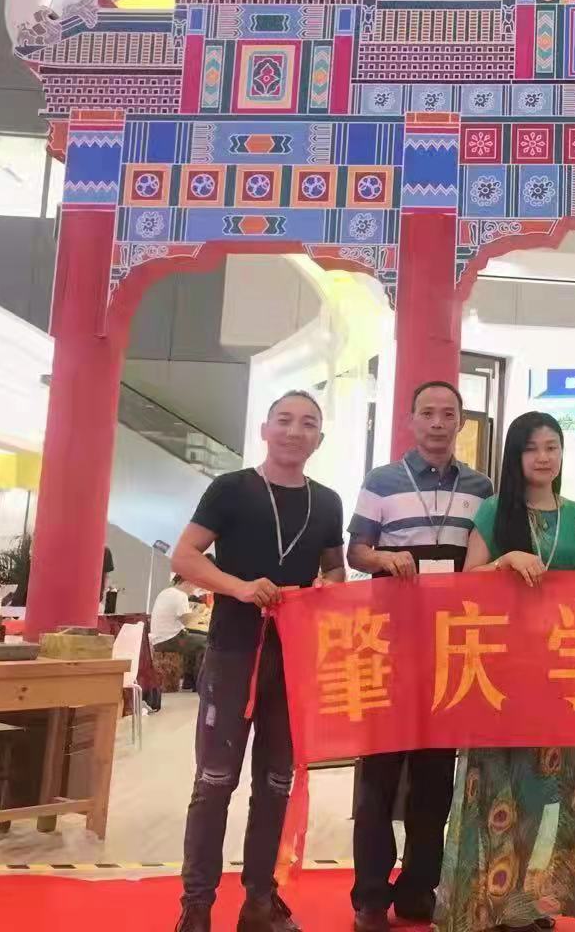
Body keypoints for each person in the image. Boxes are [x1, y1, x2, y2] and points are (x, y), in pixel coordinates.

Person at [169, 390, 346, 932]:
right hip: (232, 653)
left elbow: (335, 572)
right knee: (214, 782)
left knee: (274, 784)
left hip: (294, 660)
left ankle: (259, 902)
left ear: (319, 438)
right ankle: (196, 906)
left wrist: (325, 588)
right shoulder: (230, 489)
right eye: (284, 420)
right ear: (266, 430)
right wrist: (240, 588)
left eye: (308, 423)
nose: (295, 431)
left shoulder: (327, 502)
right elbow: (184, 556)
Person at [345, 380, 495, 932]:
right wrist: (384, 559)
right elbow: (355, 551)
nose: (437, 423)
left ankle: (417, 890)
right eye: (427, 413)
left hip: (452, 650)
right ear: (411, 420)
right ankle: (369, 897)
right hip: (388, 646)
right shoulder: (381, 481)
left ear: (461, 422)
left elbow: (487, 559)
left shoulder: (481, 488)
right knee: (378, 777)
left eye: (447, 414)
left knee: (435, 781)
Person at [440, 412, 575, 932]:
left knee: (551, 790)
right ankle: (487, 905)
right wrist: (505, 560)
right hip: (501, 669)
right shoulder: (493, 511)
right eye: (532, 448)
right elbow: (467, 582)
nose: (544, 457)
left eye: (552, 446)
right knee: (496, 786)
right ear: (516, 456)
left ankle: (534, 903)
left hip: (561, 670)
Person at [149, 574, 208, 687]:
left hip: (159, 638)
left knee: (195, 640)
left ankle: (189, 681)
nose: (194, 591)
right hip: (170, 638)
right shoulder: (180, 596)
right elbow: (186, 621)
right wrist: (199, 612)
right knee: (205, 642)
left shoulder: (166, 592)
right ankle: (199, 683)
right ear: (188, 582)